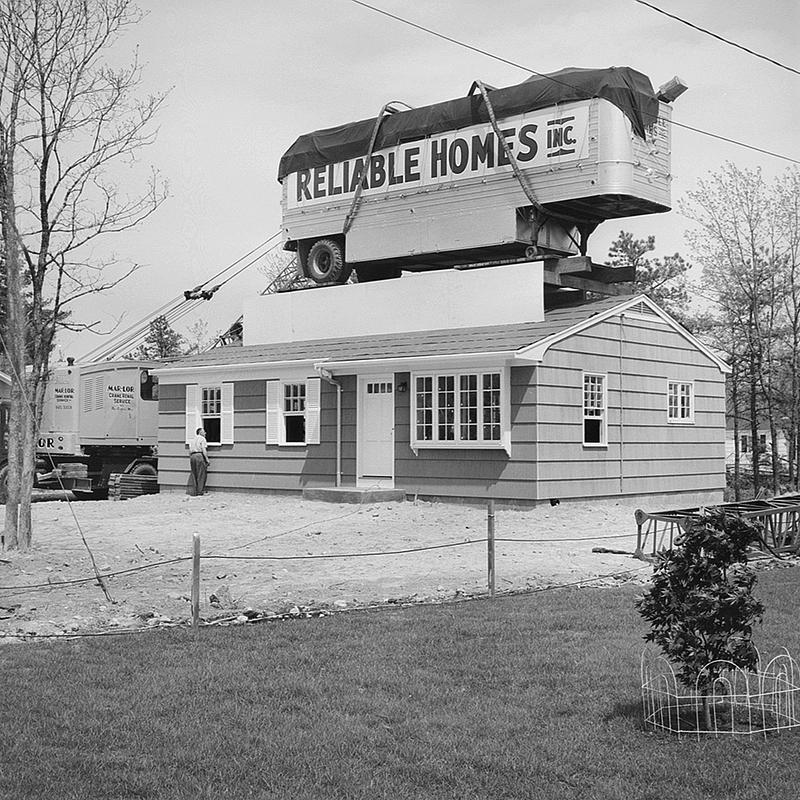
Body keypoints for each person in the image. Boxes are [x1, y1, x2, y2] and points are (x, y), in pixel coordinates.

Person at [187, 427, 210, 496]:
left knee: (194, 474)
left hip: (192, 456)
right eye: (204, 432)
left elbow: (189, 450)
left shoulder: (192, 440)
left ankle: (195, 491)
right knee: (201, 474)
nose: (205, 433)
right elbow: (203, 449)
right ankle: (200, 491)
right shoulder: (202, 439)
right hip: (199, 455)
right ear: (200, 432)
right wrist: (207, 459)